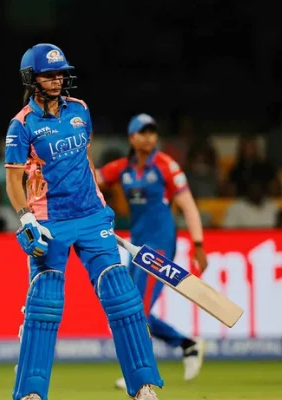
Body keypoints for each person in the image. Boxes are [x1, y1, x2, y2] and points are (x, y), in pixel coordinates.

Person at [6, 43, 163, 400]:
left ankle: (143, 386)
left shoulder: (80, 109)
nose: (58, 79)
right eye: (49, 74)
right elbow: (12, 181)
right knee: (45, 302)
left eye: (60, 73)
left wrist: (100, 202)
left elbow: (85, 159)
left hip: (92, 217)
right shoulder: (22, 124)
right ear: (32, 79)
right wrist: (26, 217)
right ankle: (31, 392)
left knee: (122, 295)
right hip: (50, 222)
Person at [97, 113, 208, 391]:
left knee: (138, 310)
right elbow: (93, 179)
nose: (148, 137)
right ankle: (187, 344)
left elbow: (188, 205)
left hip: (159, 245)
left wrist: (198, 244)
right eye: (142, 132)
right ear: (131, 138)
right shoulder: (122, 168)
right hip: (137, 246)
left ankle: (140, 371)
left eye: (152, 132)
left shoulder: (166, 165)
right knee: (131, 308)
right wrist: (80, 154)